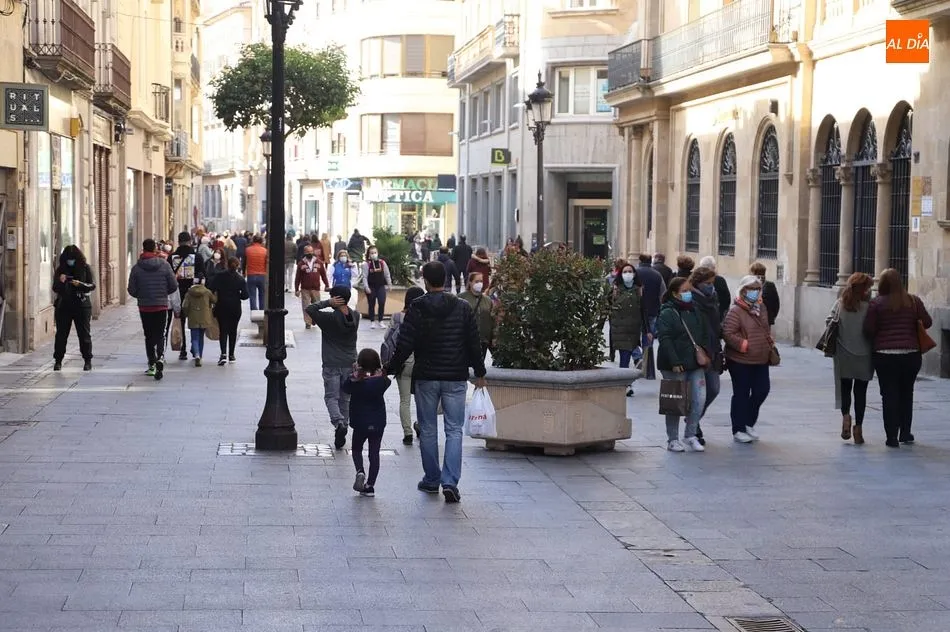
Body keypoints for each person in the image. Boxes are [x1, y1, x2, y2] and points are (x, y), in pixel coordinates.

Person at [385, 261, 487, 504]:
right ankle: (450, 481)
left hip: (427, 376)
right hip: (455, 376)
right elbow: (474, 342)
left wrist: (390, 369)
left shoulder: (417, 308)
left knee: (429, 429)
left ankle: (432, 479)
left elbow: (404, 343)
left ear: (426, 281)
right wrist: (480, 372)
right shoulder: (462, 308)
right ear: (446, 280)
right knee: (454, 429)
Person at [864, 268, 933, 447]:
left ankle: (891, 436)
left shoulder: (876, 304)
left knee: (889, 394)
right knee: (906, 393)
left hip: (885, 356)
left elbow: (868, 329)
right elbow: (928, 322)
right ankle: (905, 432)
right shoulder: (913, 301)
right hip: (911, 355)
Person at [656, 276, 710, 453]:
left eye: (690, 290)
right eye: (685, 291)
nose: (689, 294)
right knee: (675, 402)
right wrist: (675, 361)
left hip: (694, 363)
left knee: (699, 399)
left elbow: (703, 333)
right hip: (675, 364)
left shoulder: (695, 309)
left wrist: (704, 352)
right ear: (675, 294)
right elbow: (665, 338)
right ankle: (672, 439)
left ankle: (691, 434)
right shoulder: (667, 312)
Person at [307, 286, 360, 449]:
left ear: (336, 299)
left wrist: (327, 303)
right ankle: (343, 424)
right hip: (350, 362)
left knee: (331, 397)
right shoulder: (356, 316)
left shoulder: (329, 319)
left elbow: (310, 308)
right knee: (345, 398)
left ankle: (339, 423)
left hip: (331, 363)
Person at [722, 275, 773, 443]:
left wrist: (767, 344)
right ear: (744, 291)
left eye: (758, 289)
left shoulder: (762, 308)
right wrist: (744, 344)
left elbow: (765, 328)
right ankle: (738, 428)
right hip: (740, 360)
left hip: (760, 358)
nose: (756, 292)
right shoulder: (736, 310)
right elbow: (728, 333)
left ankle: (749, 422)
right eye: (752, 289)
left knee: (762, 390)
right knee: (741, 394)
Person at [830, 272, 874, 445]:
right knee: (861, 392)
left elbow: (829, 322)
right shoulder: (870, 307)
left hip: (843, 354)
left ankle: (846, 418)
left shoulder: (840, 304)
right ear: (863, 290)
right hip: (865, 355)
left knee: (845, 388)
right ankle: (859, 429)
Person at [342, 348, 392, 497]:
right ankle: (370, 485)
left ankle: (360, 470)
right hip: (378, 422)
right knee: (374, 453)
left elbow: (345, 388)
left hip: (360, 422)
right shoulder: (381, 381)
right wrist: (379, 372)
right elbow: (387, 381)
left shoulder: (356, 381)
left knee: (357, 449)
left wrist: (355, 373)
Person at [128, 239, 179, 380]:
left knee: (148, 335)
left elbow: (131, 289)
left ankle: (151, 363)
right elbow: (174, 285)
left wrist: (141, 295)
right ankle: (160, 357)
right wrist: (163, 293)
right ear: (155, 249)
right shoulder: (164, 265)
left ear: (143, 249)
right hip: (161, 305)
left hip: (145, 307)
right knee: (160, 333)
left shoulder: (137, 268)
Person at [689, 266, 724, 445]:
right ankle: (693, 427)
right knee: (699, 393)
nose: (711, 287)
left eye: (712, 283)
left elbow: (716, 325)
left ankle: (693, 420)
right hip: (698, 352)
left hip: (713, 351)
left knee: (713, 389)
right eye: (707, 283)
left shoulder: (712, 299)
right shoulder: (691, 300)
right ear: (697, 283)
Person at [387, 286, 425, 445]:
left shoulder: (397, 317)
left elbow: (388, 338)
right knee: (423, 399)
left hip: (403, 362)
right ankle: (421, 426)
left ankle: (407, 432)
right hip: (421, 363)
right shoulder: (425, 317)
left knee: (405, 400)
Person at [52, 245, 96, 371]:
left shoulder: (84, 268)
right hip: (64, 305)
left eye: (73, 259)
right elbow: (55, 288)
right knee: (61, 335)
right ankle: (58, 360)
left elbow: (92, 285)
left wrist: (80, 284)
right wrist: (61, 281)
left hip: (81, 305)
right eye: (68, 259)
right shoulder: (61, 270)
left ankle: (87, 360)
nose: (70, 261)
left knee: (84, 335)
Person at [609, 262, 646, 397]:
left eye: (630, 271)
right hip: (620, 329)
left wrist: (647, 330)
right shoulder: (615, 289)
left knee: (627, 356)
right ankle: (625, 384)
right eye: (625, 271)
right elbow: (606, 307)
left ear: (634, 274)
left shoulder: (639, 290)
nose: (628, 274)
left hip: (634, 329)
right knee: (624, 357)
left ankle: (625, 383)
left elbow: (644, 311)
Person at [170, 231, 204, 362]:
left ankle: (182, 349)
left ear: (178, 242)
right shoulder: (198, 257)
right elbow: (203, 275)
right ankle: (195, 348)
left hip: (177, 293)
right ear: (190, 241)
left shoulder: (172, 257)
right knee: (195, 321)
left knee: (180, 320)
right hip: (194, 293)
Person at [211, 256, 248, 365]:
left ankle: (223, 354)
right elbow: (246, 295)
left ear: (227, 264)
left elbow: (211, 288)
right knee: (233, 330)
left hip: (222, 306)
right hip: (235, 307)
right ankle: (232, 354)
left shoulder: (219, 276)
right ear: (238, 266)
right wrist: (238, 295)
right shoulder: (240, 279)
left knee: (223, 330)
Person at [459, 272, 495, 361]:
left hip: (483, 340)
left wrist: (493, 337)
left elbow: (492, 319)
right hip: (467, 340)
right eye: (476, 281)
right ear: (470, 282)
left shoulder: (487, 300)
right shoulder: (461, 298)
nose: (479, 284)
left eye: (481, 281)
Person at [182, 278, 216, 367]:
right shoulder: (207, 292)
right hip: (204, 318)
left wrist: (186, 314)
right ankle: (199, 356)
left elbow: (185, 306)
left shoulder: (189, 293)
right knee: (201, 338)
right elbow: (214, 300)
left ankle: (196, 354)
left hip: (193, 317)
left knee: (194, 338)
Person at [295, 244, 330, 329]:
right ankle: (308, 322)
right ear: (304, 252)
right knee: (306, 306)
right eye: (307, 252)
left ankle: (314, 319)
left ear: (313, 252)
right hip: (305, 289)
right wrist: (296, 289)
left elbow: (324, 275)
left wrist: (327, 285)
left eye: (311, 251)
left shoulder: (319, 262)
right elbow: (297, 277)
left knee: (316, 305)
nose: (309, 253)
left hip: (316, 288)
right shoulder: (301, 263)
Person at [361, 245, 392, 329]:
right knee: (371, 304)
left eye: (375, 253)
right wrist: (366, 287)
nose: (373, 254)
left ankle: (381, 320)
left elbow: (387, 274)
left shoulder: (382, 263)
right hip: (371, 287)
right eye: (372, 253)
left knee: (382, 302)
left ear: (377, 253)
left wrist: (389, 284)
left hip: (381, 286)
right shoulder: (366, 264)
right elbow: (364, 277)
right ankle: (372, 321)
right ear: (369, 254)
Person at [699, 256, 732, 322]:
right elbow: (727, 299)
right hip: (717, 314)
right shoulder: (720, 280)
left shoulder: (697, 279)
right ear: (713, 267)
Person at [750, 262, 780, 326]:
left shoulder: (751, 285)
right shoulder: (770, 285)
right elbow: (776, 304)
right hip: (766, 320)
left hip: (758, 320)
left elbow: (775, 304)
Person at [244, 235, 267, 310]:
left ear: (253, 241)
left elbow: (244, 262)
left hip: (251, 275)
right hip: (262, 275)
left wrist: (244, 272)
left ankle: (254, 311)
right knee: (262, 295)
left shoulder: (248, 250)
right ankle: (262, 310)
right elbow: (266, 263)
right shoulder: (265, 251)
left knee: (252, 295)